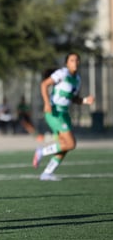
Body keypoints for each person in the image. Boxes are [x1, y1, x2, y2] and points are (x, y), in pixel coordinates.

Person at [32, 52, 94, 181]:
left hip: (64, 114)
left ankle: (47, 173)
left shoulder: (77, 79)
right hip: (54, 112)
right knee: (71, 144)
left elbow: (73, 98)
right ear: (67, 63)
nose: (75, 62)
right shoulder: (62, 73)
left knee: (65, 145)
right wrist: (47, 103)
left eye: (77, 60)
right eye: (72, 60)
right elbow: (44, 84)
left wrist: (84, 101)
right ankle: (41, 152)